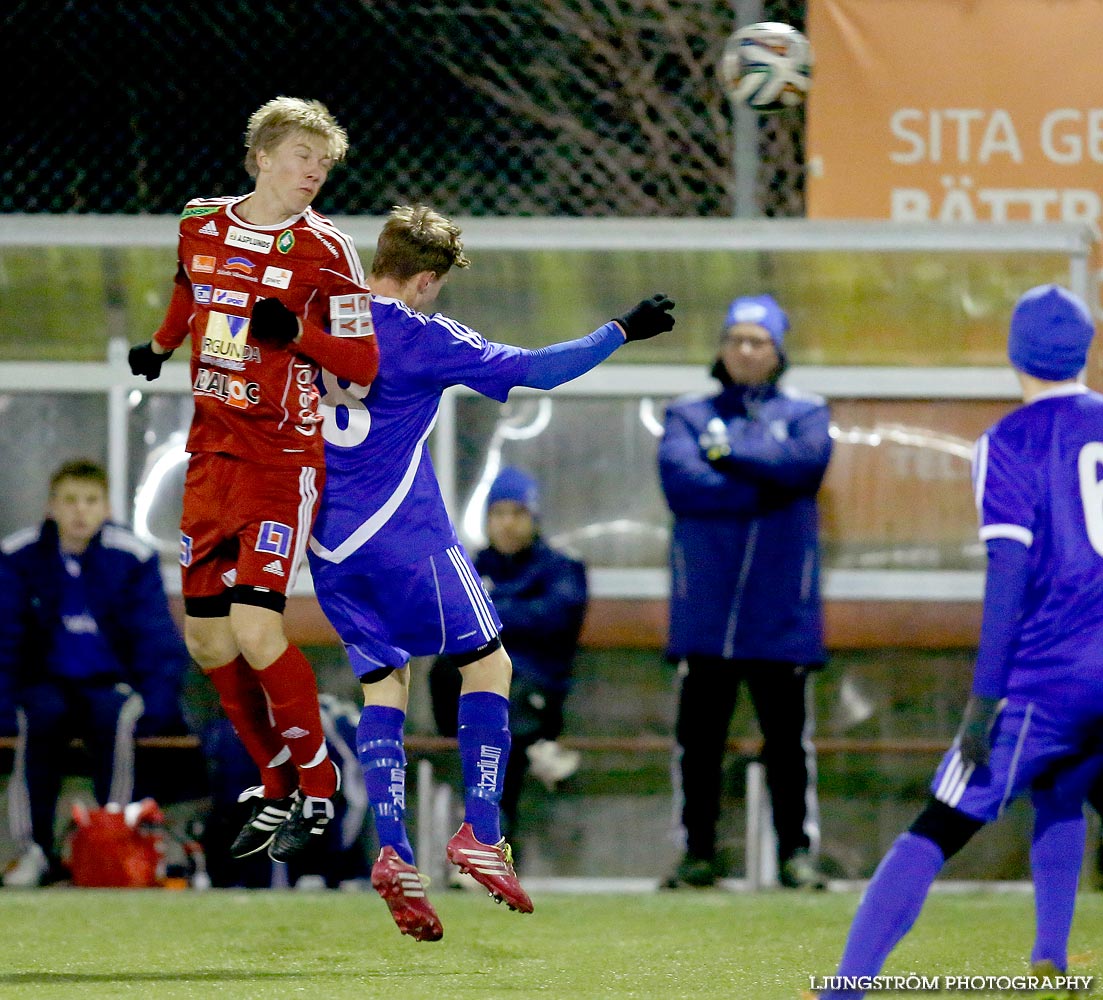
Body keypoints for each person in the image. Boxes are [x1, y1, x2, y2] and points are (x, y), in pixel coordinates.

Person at [306, 203, 675, 941]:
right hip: (400, 534)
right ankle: (481, 829)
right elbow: (537, 369)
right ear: (419, 281)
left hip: (326, 544)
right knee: (488, 662)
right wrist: (621, 330)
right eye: (435, 284)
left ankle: (392, 846)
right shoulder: (419, 334)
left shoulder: (322, 315)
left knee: (386, 681)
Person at [817, 284, 1103, 998]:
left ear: (1014, 353)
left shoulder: (1007, 442)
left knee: (937, 821)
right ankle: (1048, 960)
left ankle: (847, 987)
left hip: (1047, 675)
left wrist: (983, 701)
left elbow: (1008, 573)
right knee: (1063, 792)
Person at [126, 96, 380, 865]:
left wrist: (298, 334)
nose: (314, 173)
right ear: (261, 156)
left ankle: (318, 780)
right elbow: (189, 285)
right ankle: (276, 781)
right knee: (206, 642)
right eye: (302, 156)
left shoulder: (328, 250)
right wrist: (163, 343)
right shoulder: (201, 222)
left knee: (256, 627)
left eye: (324, 164)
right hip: (210, 457)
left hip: (282, 460)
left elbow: (363, 368)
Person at [657, 293, 832, 891]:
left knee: (787, 746)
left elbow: (805, 464)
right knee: (698, 743)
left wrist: (728, 456)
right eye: (736, 339)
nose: (745, 350)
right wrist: (766, 483)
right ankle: (697, 854)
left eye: (758, 341)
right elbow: (683, 483)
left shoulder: (807, 412)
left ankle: (796, 855)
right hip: (705, 614)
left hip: (781, 613)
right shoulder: (686, 414)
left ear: (778, 351)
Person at [0, 459, 189, 887]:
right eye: (69, 501)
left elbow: (155, 639)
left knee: (118, 717)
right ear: (51, 507)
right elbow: (4, 636)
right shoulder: (20, 556)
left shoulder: (131, 557)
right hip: (44, 682)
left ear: (106, 508)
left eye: (90, 501)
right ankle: (34, 850)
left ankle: (111, 837)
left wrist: (159, 705)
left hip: (111, 682)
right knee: (36, 719)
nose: (80, 512)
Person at [429, 466, 588, 851]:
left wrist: (488, 609)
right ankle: (534, 751)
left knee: (501, 707)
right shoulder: (467, 565)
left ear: (534, 518)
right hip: (463, 702)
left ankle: (487, 841)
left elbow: (557, 615)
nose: (507, 524)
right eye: (497, 514)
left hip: (536, 694)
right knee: (468, 680)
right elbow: (442, 617)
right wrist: (514, 612)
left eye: (517, 513)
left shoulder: (560, 566)